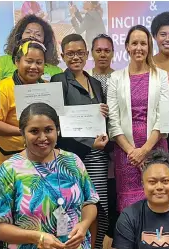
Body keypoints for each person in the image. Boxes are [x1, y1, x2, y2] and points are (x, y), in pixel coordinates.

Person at [0, 103, 99, 249]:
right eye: (34, 131)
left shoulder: (72, 161)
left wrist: (84, 225)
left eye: (48, 130)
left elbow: (89, 202)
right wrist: (37, 237)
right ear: (22, 133)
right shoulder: (9, 170)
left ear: (57, 130)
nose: (42, 137)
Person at [51, 33, 110, 249]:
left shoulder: (94, 81)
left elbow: (101, 118)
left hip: (99, 154)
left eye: (80, 53)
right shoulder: (59, 81)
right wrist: (88, 143)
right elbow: (58, 125)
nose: (75, 57)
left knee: (99, 205)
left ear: (87, 54)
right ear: (62, 56)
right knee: (77, 204)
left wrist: (104, 113)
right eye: (70, 53)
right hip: (74, 155)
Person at [107, 25, 169, 212]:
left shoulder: (161, 76)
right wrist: (132, 152)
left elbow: (163, 114)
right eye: (134, 43)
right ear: (127, 46)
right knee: (130, 207)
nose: (139, 48)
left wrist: (144, 150)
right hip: (126, 153)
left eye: (143, 43)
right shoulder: (116, 78)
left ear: (149, 46)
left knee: (157, 199)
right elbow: (113, 118)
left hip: (155, 148)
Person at [0, 39, 47, 167]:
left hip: (42, 157)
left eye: (39, 62)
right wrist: (23, 131)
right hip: (10, 160)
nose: (34, 67)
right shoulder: (3, 88)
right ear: (17, 62)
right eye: (29, 61)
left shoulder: (48, 88)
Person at [85, 33, 119, 241]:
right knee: (95, 201)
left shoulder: (120, 77)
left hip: (118, 147)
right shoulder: (85, 79)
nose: (103, 54)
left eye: (107, 50)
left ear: (114, 53)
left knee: (113, 199)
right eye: (99, 50)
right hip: (92, 152)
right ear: (92, 53)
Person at [0, 14, 61, 81]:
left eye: (38, 34)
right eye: (28, 32)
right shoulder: (3, 62)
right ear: (19, 36)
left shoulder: (56, 71)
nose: (32, 36)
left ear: (45, 41)